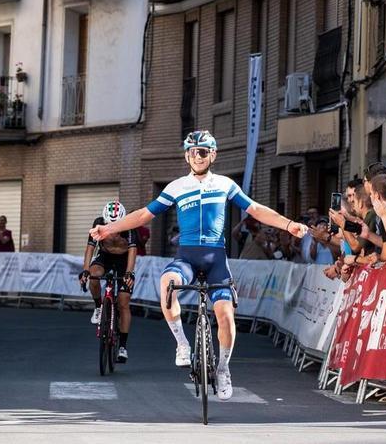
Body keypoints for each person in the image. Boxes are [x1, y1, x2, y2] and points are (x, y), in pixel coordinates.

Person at [89, 130, 307, 401]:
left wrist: (289, 225)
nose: (198, 156)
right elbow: (144, 215)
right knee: (167, 285)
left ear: (212, 155)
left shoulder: (225, 184)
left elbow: (256, 210)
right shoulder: (177, 186)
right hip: (187, 258)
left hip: (216, 259)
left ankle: (224, 369)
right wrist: (109, 229)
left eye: (203, 152)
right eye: (192, 152)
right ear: (186, 156)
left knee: (225, 317)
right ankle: (182, 344)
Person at [79, 200, 137, 363]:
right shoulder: (98, 224)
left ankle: (123, 347)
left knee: (124, 302)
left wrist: (129, 273)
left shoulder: (129, 226)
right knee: (93, 275)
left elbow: (133, 251)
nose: (112, 229)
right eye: (108, 225)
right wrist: (85, 270)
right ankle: (98, 307)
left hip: (124, 260)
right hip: (105, 256)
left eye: (116, 226)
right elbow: (90, 248)